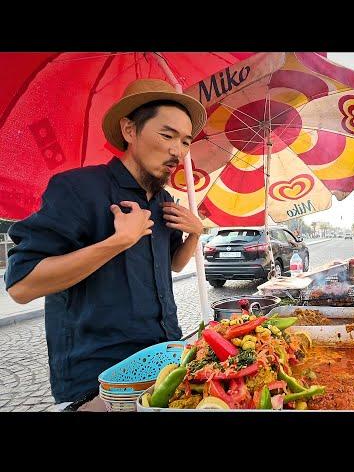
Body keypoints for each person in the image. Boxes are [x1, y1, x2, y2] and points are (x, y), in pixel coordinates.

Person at [5, 78, 208, 408]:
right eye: (167, 135)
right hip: (97, 380)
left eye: (186, 141)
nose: (178, 151)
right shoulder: (77, 189)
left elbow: (173, 264)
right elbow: (22, 285)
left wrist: (195, 234)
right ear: (129, 130)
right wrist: (118, 242)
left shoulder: (163, 200)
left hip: (165, 362)